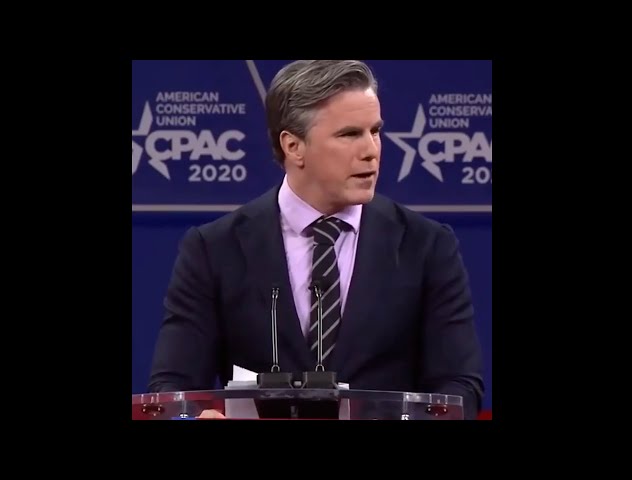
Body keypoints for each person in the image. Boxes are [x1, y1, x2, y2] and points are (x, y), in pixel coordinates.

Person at [148, 60, 484, 419]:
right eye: (349, 134)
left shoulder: (426, 246)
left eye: (375, 131)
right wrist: (194, 416)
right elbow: (172, 388)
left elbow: (459, 386)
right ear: (294, 146)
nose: (371, 150)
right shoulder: (214, 249)